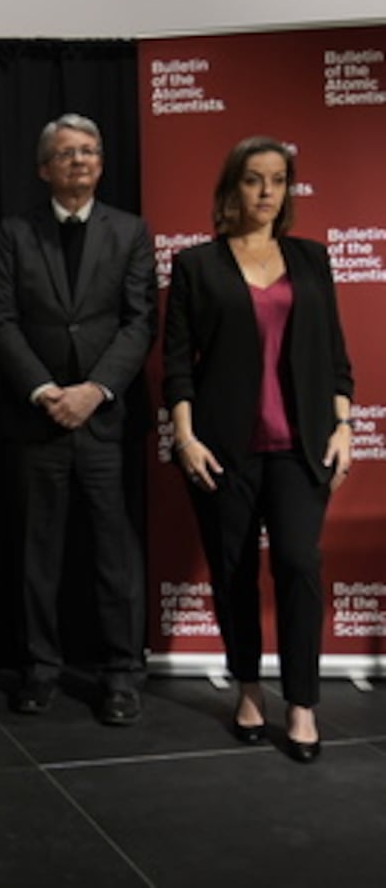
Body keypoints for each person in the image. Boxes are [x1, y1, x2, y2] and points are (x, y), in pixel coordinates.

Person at [163, 136, 353, 763]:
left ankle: (301, 703)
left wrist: (344, 424)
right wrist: (185, 438)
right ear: (231, 189)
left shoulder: (312, 260)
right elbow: (177, 367)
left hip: (301, 449)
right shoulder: (196, 266)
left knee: (298, 564)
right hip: (222, 449)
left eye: (278, 180)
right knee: (234, 572)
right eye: (253, 180)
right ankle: (249, 688)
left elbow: (336, 358)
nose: (267, 192)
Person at [0, 113, 157, 725]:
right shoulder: (14, 233)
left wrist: (96, 390)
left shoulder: (131, 232)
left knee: (115, 555)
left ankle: (120, 675)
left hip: (104, 421)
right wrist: (44, 390)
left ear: (102, 164)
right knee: (38, 553)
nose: (80, 161)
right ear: (44, 169)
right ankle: (40, 670)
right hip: (37, 420)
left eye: (89, 151)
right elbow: (1, 321)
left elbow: (140, 321)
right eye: (66, 153)